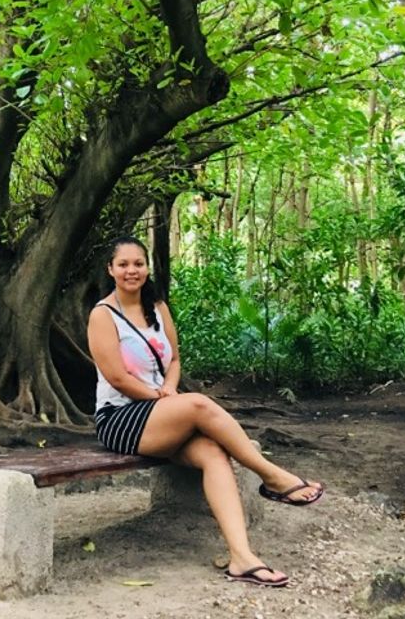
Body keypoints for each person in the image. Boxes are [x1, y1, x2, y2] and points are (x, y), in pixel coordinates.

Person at [87, 235, 324, 589]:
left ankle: (242, 557)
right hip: (121, 418)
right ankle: (271, 476)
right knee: (198, 403)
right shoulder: (103, 315)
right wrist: (160, 396)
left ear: (147, 268)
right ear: (111, 269)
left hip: (162, 411)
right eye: (123, 264)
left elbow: (175, 361)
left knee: (214, 452)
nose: (131, 271)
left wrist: (168, 387)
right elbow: (117, 378)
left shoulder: (158, 308)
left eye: (138, 263)